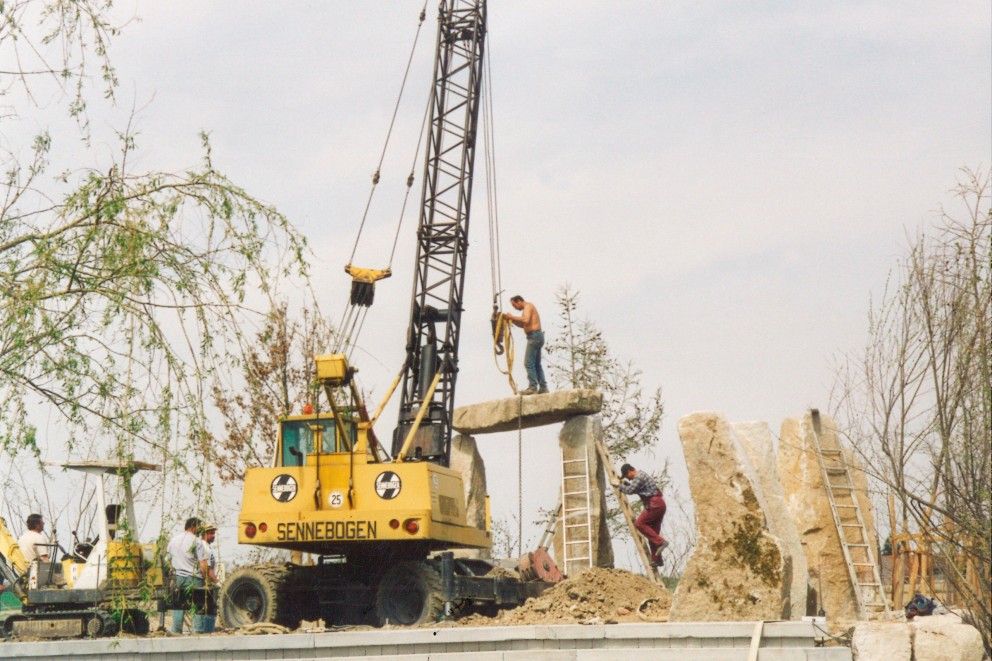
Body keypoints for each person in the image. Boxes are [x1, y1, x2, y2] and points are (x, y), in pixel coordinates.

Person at [611, 463, 669, 567]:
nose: (629, 478)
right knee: (653, 534)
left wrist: (618, 485)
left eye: (627, 476)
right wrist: (624, 483)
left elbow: (630, 490)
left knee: (639, 523)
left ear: (630, 471)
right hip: (659, 504)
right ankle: (657, 560)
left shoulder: (638, 476)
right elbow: (637, 488)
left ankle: (661, 542)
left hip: (654, 504)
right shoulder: (641, 476)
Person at [166, 517, 209, 634]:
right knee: (198, 605)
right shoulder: (198, 542)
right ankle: (197, 632)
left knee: (178, 605)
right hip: (194, 578)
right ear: (193, 527)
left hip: (178, 577)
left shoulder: (173, 541)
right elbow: (203, 563)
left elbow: (167, 561)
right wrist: (206, 580)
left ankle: (176, 631)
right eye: (199, 527)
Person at [504, 295, 548, 395]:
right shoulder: (526, 309)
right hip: (535, 336)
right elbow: (523, 324)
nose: (515, 308)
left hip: (534, 336)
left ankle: (532, 387)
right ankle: (543, 387)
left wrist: (512, 316)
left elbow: (525, 320)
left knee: (528, 363)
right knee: (536, 364)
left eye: (514, 305)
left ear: (519, 301)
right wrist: (512, 320)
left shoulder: (528, 306)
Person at [193, 523, 219, 634]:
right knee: (208, 607)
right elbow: (207, 568)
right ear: (204, 534)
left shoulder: (205, 546)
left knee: (207, 607)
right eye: (211, 533)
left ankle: (205, 630)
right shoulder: (205, 548)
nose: (213, 535)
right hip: (205, 582)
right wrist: (216, 582)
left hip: (205, 581)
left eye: (214, 533)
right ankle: (206, 631)